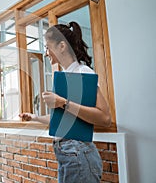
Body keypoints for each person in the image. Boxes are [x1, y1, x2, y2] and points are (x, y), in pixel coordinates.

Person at [19, 21, 111, 183]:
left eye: (48, 47)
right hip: (67, 154)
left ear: (62, 46)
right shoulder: (65, 76)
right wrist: (34, 117)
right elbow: (62, 120)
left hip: (78, 153)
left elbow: (105, 118)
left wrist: (62, 102)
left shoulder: (82, 72)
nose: (46, 53)